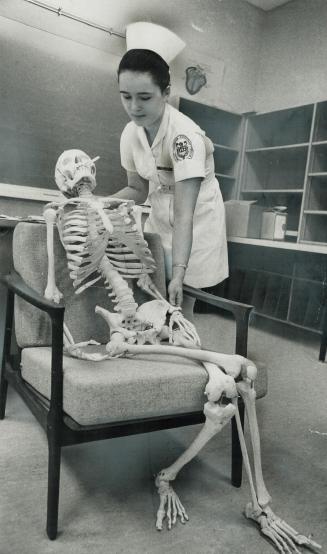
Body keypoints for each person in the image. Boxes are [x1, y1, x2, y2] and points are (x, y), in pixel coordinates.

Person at [114, 22, 228, 313]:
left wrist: (178, 272)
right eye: (126, 96)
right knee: (151, 297)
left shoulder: (184, 136)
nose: (134, 107)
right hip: (161, 217)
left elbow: (184, 214)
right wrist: (98, 205)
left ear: (166, 92)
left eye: (144, 97)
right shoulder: (131, 133)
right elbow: (137, 189)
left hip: (195, 219)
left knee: (180, 302)